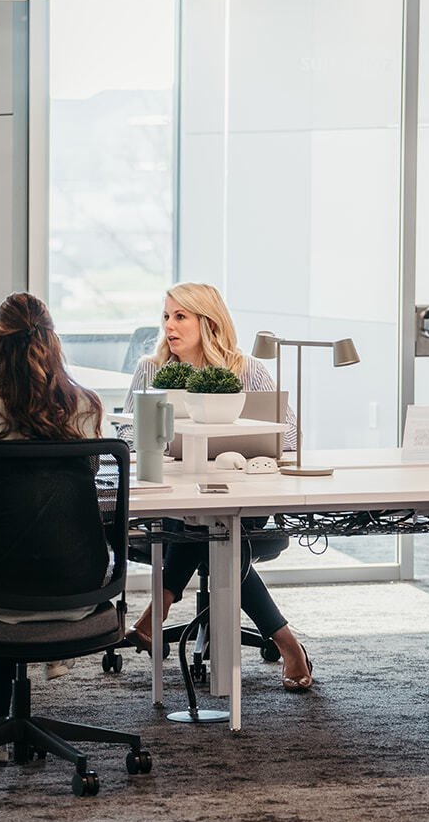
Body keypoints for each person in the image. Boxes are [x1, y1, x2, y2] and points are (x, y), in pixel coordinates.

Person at [120, 281, 314, 693]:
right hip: (176, 496)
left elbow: (291, 435)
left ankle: (156, 613)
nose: (169, 326)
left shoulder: (245, 369)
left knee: (214, 525)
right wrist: (163, 445)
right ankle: (287, 643)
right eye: (166, 316)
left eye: (180, 316)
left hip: (242, 493)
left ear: (208, 322)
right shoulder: (151, 369)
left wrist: (238, 446)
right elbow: (126, 438)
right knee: (208, 527)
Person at [0, 292, 107, 744]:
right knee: (18, 546)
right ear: (53, 341)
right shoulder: (85, 406)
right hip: (77, 587)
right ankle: (12, 697)